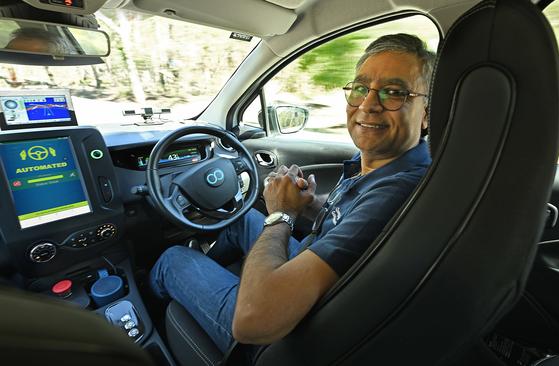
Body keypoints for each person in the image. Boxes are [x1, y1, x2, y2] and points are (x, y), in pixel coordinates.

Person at [150, 33, 435, 360]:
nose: (368, 104)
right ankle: (212, 288)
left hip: (284, 332)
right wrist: (310, 205)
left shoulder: (395, 192)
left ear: (426, 113)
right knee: (240, 218)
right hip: (315, 280)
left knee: (172, 259)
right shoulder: (385, 167)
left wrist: (281, 216)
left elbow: (253, 320)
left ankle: (152, 325)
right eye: (360, 88)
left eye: (394, 92)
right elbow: (348, 229)